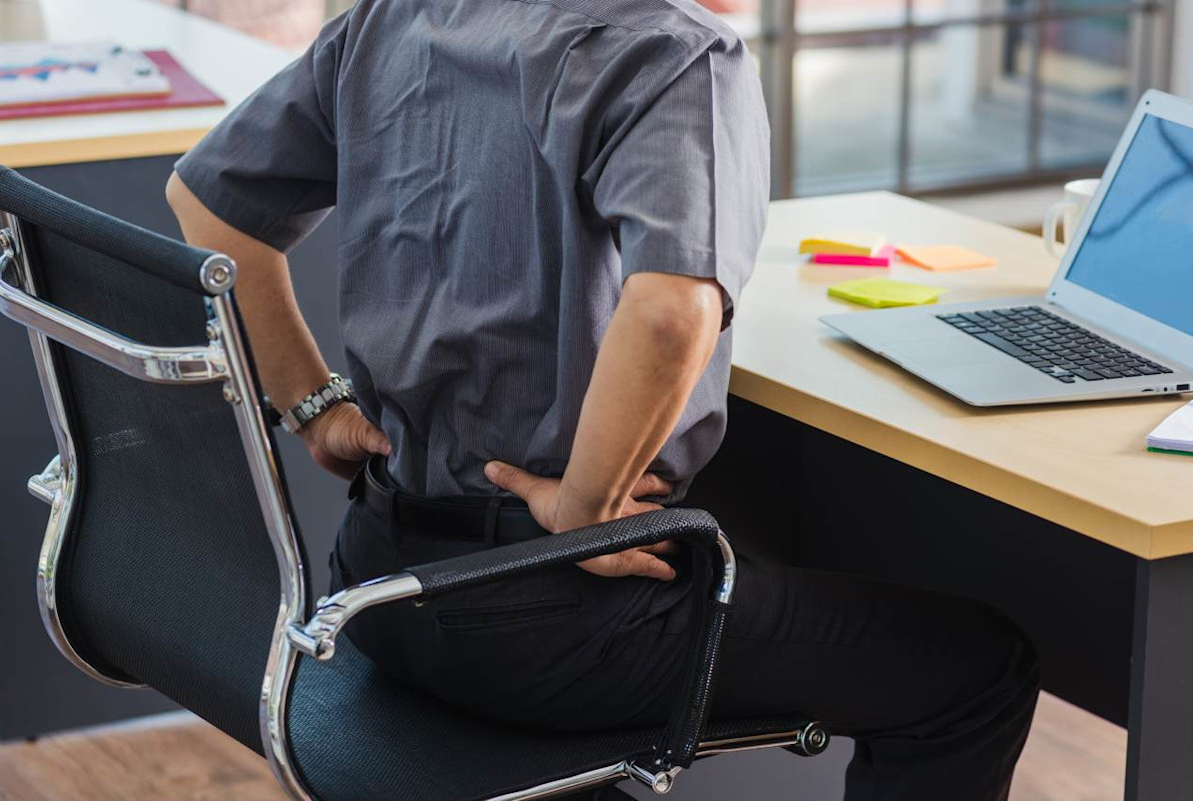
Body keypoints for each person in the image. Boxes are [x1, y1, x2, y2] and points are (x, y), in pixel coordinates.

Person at [167, 0, 1040, 797]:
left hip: (379, 586)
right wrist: (583, 512)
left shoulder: (397, 17)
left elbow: (206, 202)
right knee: (978, 670)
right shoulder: (676, 56)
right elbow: (669, 313)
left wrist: (311, 405)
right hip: (548, 627)